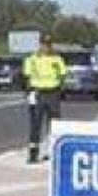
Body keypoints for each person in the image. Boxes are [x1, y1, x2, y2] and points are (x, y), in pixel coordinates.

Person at [23, 34, 66, 163]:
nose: (45, 47)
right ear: (40, 44)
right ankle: (33, 153)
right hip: (38, 93)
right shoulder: (32, 59)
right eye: (43, 44)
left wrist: (59, 89)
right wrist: (29, 92)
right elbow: (27, 76)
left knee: (53, 124)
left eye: (48, 44)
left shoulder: (57, 59)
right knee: (35, 124)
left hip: (52, 93)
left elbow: (62, 74)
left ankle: (52, 150)